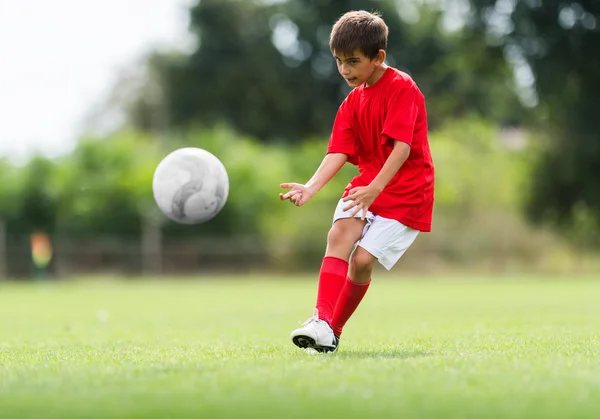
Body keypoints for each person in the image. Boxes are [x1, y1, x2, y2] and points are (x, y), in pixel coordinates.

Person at [279, 10, 435, 353]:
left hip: (407, 192)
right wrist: (311, 187)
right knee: (339, 234)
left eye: (352, 61)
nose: (345, 70)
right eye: (338, 61)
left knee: (362, 261)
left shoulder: (401, 87)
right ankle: (320, 320)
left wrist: (377, 187)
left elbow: (403, 147)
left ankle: (332, 330)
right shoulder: (352, 102)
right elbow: (337, 152)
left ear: (378, 57)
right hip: (367, 185)